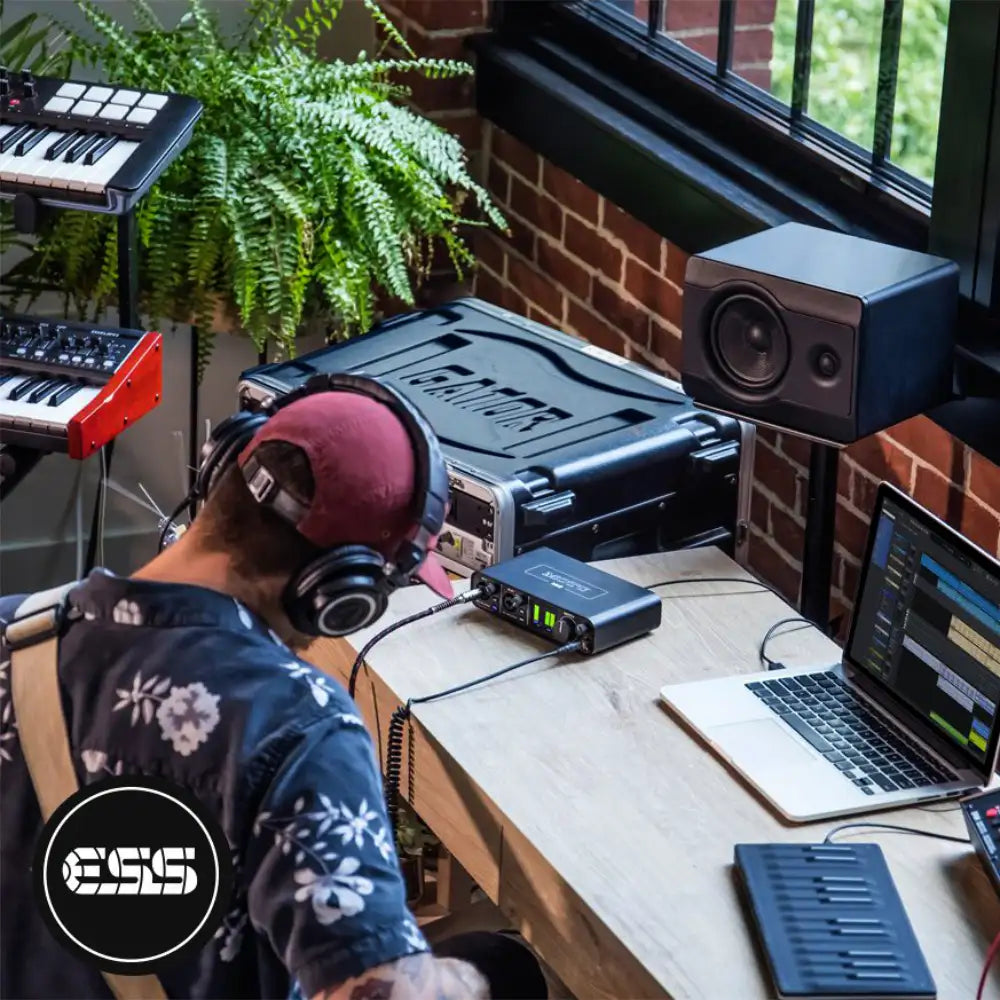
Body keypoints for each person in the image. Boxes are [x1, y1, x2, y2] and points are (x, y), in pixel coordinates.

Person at [0, 381, 547, 999]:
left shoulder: (12, 631)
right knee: (506, 966)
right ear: (339, 593)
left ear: (220, 472)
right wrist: (479, 980)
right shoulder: (293, 727)